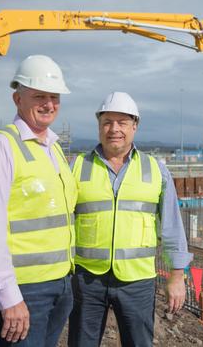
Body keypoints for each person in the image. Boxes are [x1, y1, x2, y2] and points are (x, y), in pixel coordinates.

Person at [68, 92, 193, 347]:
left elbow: (171, 226)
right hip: (86, 280)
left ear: (135, 126)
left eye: (122, 122)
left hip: (137, 282)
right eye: (107, 122)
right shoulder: (77, 166)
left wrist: (177, 276)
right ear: (99, 126)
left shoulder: (155, 169)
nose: (114, 129)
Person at [0, 55, 77, 346]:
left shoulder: (53, 149)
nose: (48, 104)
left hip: (60, 284)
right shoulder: (0, 146)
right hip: (24, 290)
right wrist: (8, 297)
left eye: (54, 97)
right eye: (39, 96)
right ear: (17, 98)